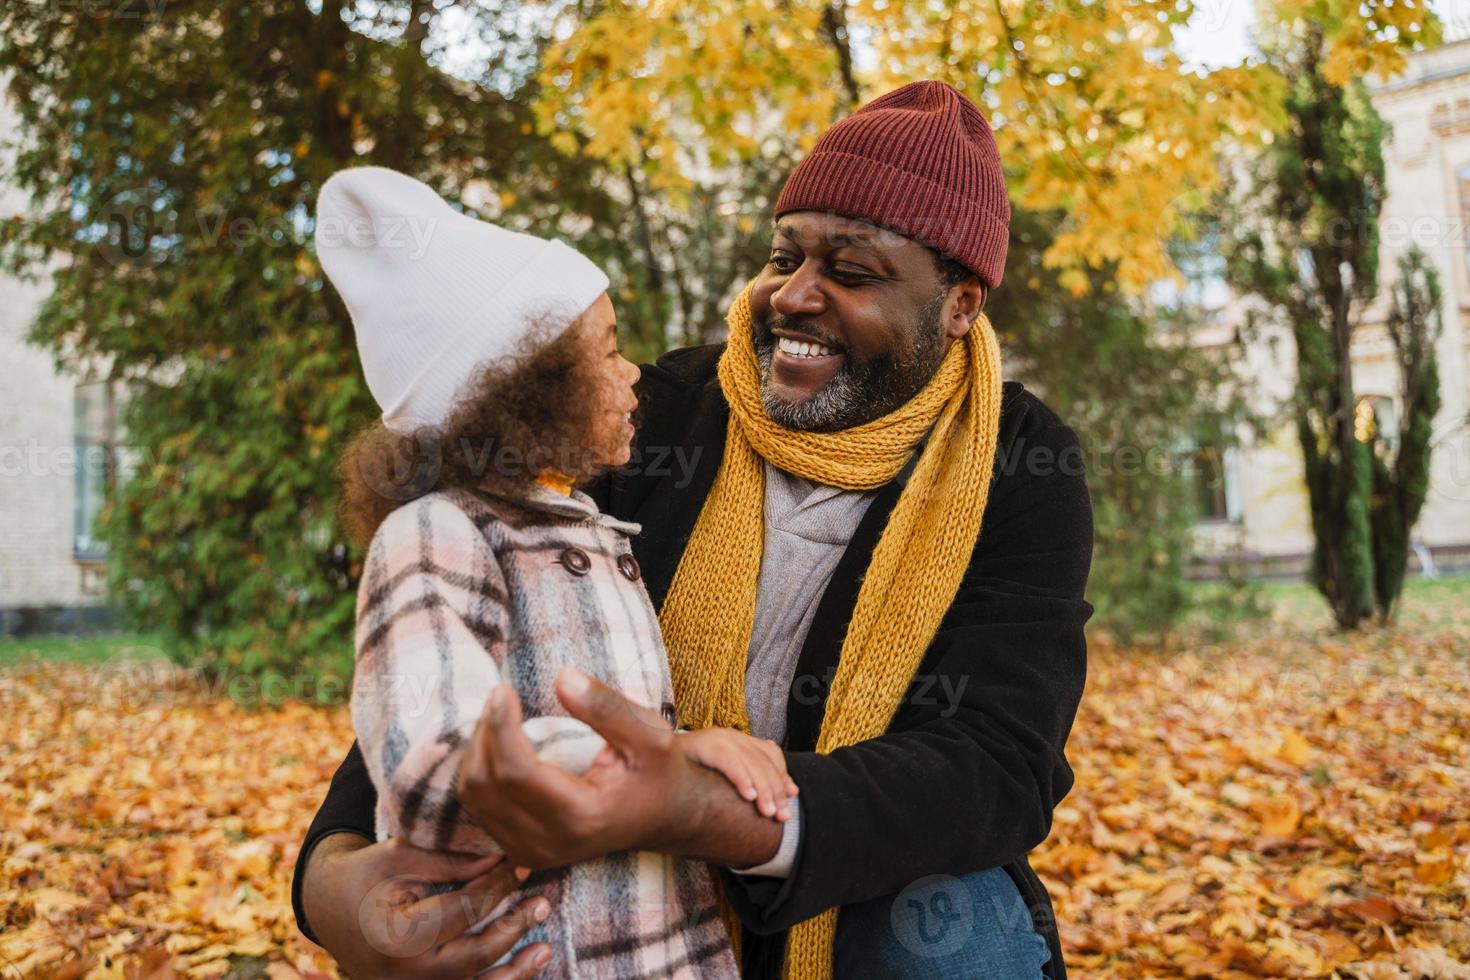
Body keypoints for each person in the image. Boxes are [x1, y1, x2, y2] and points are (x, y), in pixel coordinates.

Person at [294, 81, 1092, 980]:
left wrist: (697, 805)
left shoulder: (1016, 464)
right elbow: (446, 647)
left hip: (848, 884)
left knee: (947, 932)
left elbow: (994, 764)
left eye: (852, 271)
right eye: (784, 255)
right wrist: (338, 883)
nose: (794, 295)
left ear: (959, 304)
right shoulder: (659, 416)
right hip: (614, 893)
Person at [315, 167, 796, 978]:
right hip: (546, 953)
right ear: (524, 393)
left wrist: (677, 763)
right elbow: (435, 759)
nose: (633, 372)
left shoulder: (594, 532)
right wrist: (670, 766)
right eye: (605, 352)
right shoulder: (435, 535)